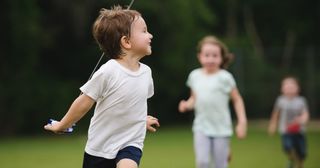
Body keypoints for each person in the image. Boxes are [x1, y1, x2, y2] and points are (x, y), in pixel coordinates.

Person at [44, 5, 160, 168]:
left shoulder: (146, 72)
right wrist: (62, 125)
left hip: (130, 143)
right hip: (99, 149)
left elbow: (135, 104)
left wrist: (141, 120)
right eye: (144, 31)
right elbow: (83, 103)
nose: (150, 35)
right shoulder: (109, 71)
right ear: (126, 42)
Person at [178, 35, 247, 168]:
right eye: (207, 55)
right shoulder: (194, 76)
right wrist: (187, 105)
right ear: (200, 56)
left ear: (221, 58)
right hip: (201, 127)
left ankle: (225, 150)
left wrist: (242, 122)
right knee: (202, 162)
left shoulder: (225, 78)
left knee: (220, 165)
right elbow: (194, 98)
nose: (210, 59)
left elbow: (237, 100)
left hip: (221, 129)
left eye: (215, 55)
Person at [268, 76, 309, 168]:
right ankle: (291, 159)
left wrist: (302, 119)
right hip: (286, 131)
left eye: (292, 87)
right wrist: (273, 125)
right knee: (288, 147)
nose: (289, 89)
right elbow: (276, 114)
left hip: (299, 132)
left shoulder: (301, 101)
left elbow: (305, 114)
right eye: (287, 87)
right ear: (282, 89)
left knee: (302, 153)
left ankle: (299, 164)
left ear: (298, 88)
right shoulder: (280, 100)